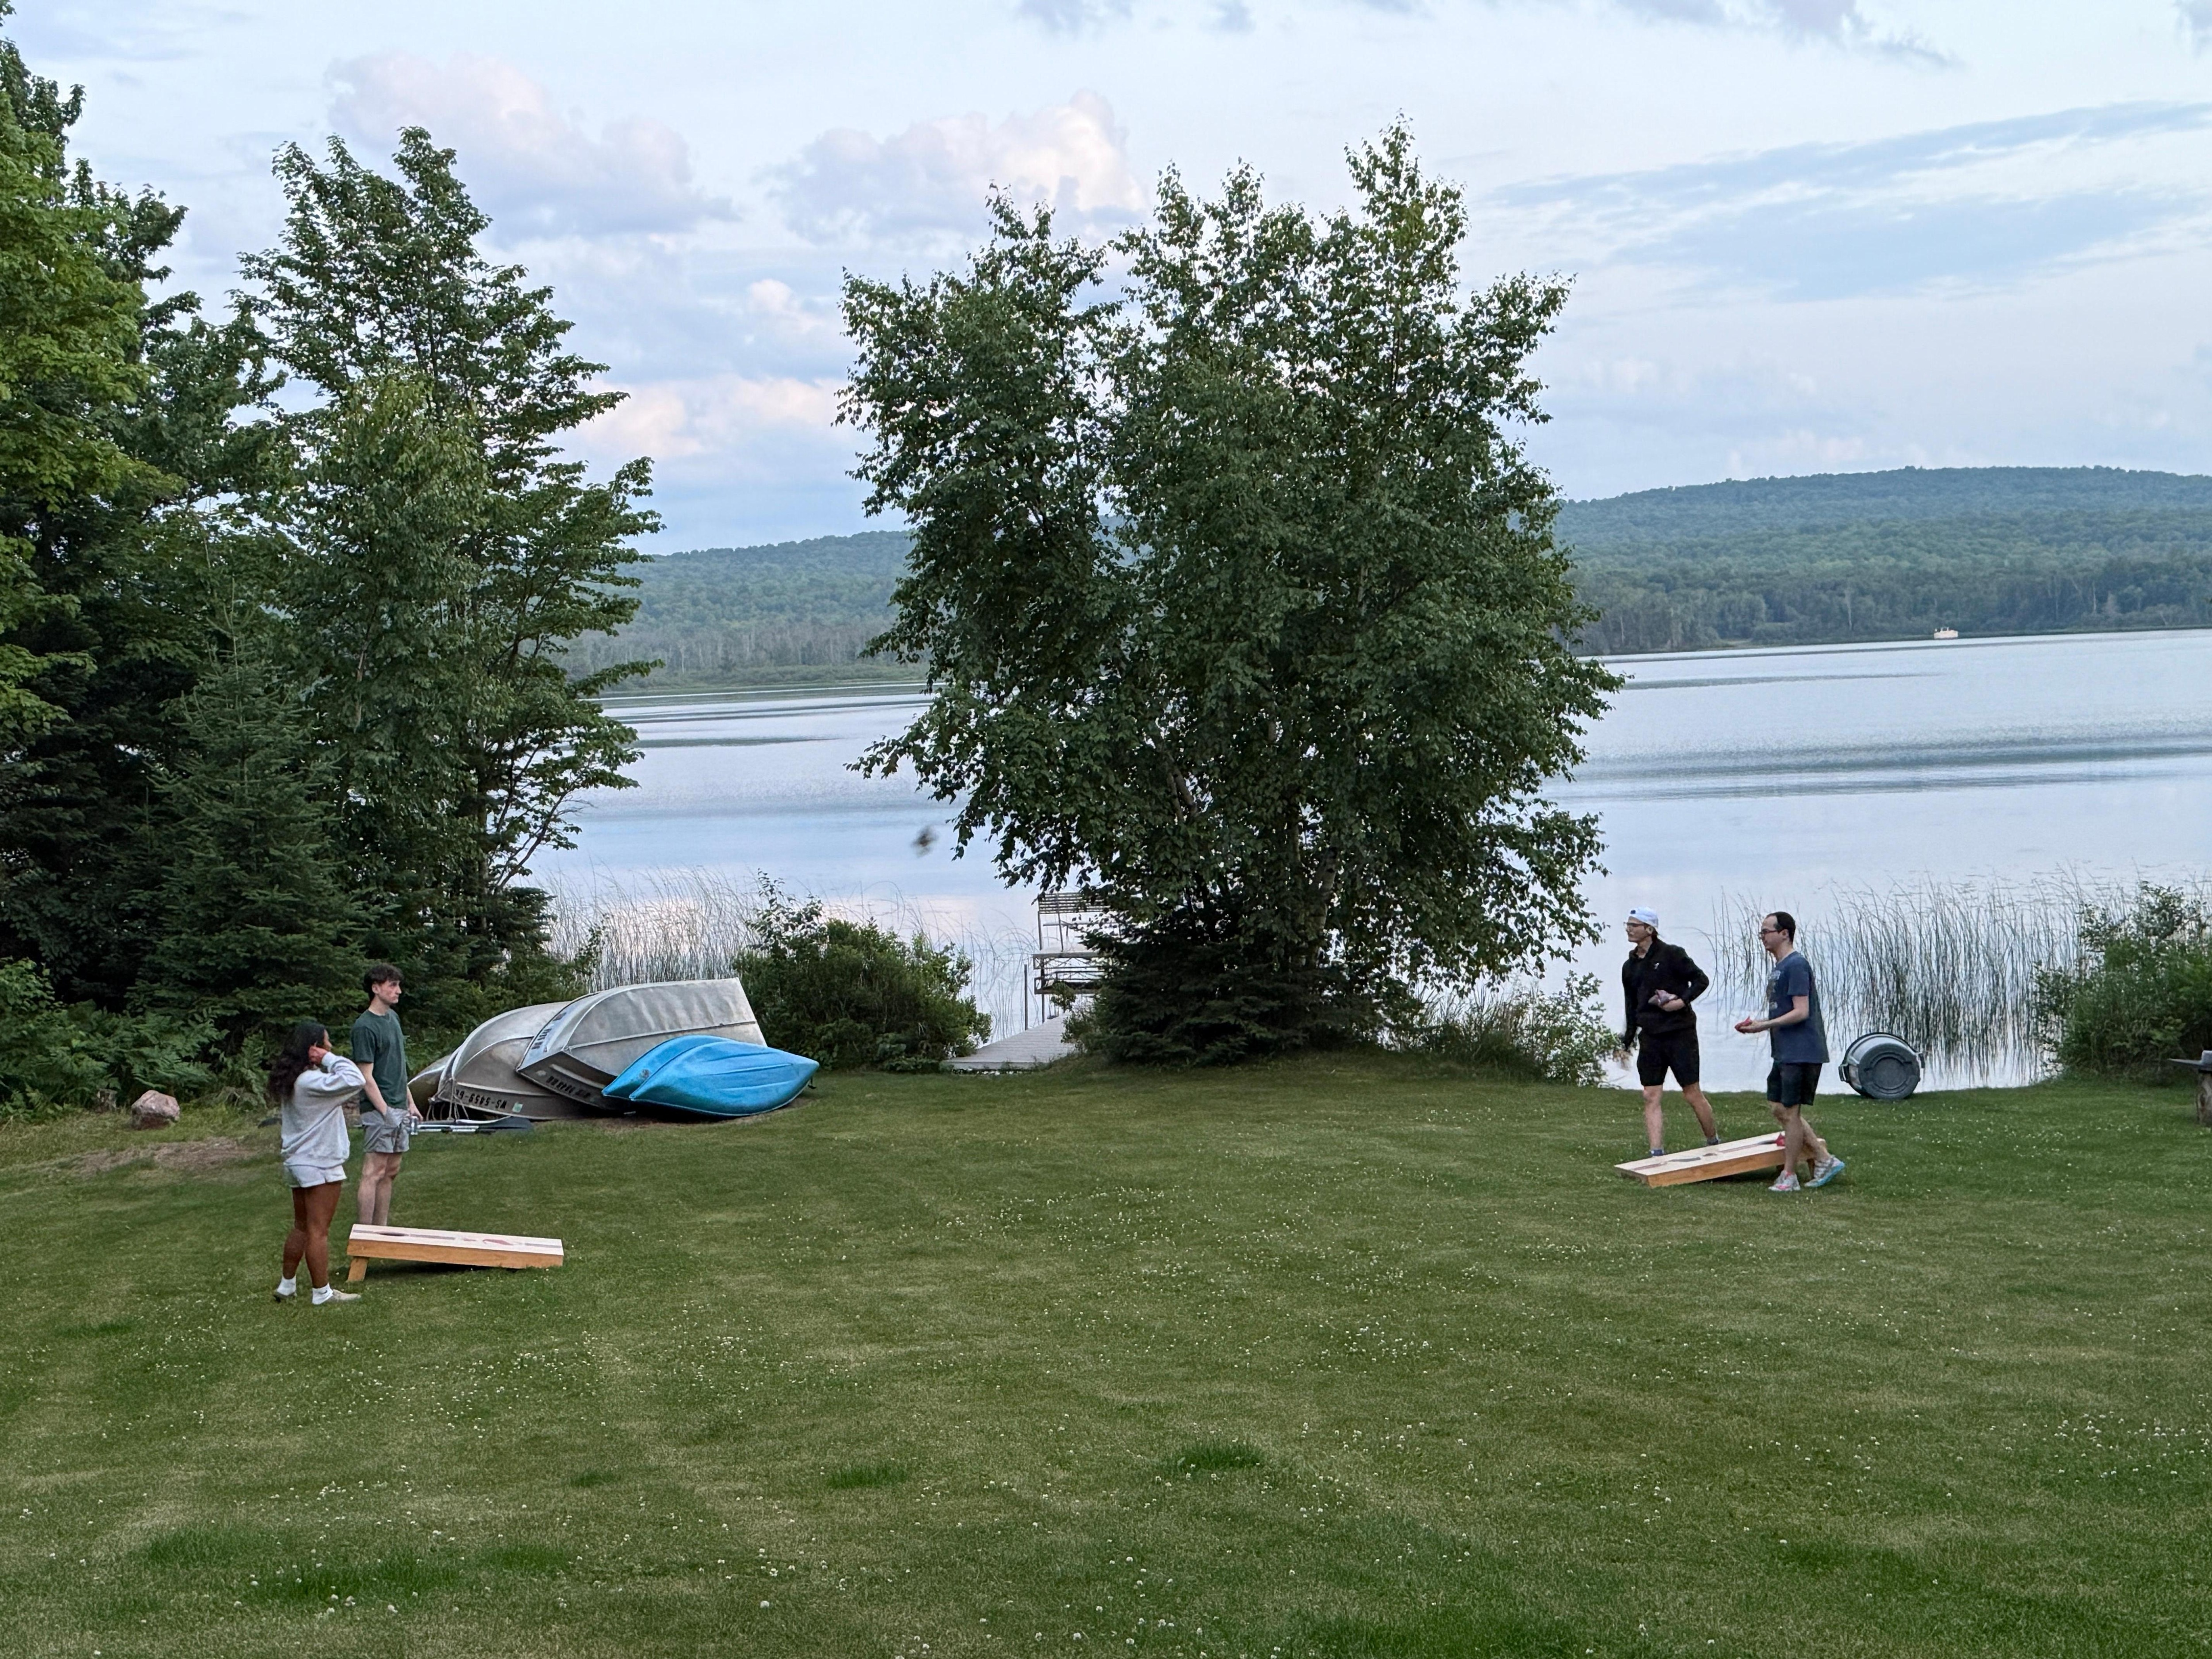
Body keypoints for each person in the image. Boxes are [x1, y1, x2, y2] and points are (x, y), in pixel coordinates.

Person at [1734, 911, 1844, 1193]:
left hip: (1802, 1050)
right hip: (1784, 1051)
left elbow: (1801, 1012)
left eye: (1767, 932)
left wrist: (1764, 1026)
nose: (1763, 937)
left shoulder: (1796, 965)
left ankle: (1789, 1176)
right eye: (1761, 933)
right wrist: (1759, 1023)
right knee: (1778, 1107)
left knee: (1792, 1112)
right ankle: (1823, 1159)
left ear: (1785, 933)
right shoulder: (1779, 967)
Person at [272, 1021, 366, 1305]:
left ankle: (287, 1285)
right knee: (318, 1230)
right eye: (327, 1043)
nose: (332, 1047)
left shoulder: (296, 1080)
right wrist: (329, 1060)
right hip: (319, 1163)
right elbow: (356, 1079)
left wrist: (324, 1058)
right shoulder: (313, 1082)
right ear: (314, 1049)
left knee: (301, 1226)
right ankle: (322, 1293)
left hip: (298, 1162)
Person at [1617, 906, 1719, 1158]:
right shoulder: (1629, 967)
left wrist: (1681, 1001)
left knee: (1691, 1093)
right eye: (1628, 925)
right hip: (1651, 1037)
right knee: (1650, 1094)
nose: (1629, 929)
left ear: (1649, 930)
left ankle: (1713, 1141)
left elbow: (1701, 980)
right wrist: (1627, 1041)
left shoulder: (1672, 955)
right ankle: (1656, 1153)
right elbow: (1631, 1006)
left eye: (1634, 925)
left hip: (1679, 1033)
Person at [351, 964, 420, 1229]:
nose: (398, 991)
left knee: (391, 1172)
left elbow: (398, 1068)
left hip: (399, 1106)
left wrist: (411, 1104)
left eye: (398, 985)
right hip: (379, 1110)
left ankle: (382, 1232)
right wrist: (386, 1112)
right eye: (392, 985)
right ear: (375, 988)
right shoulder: (365, 1027)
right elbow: (366, 1077)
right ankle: (365, 1235)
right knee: (373, 1172)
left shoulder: (393, 1019)